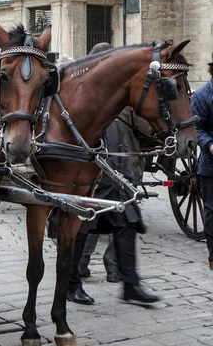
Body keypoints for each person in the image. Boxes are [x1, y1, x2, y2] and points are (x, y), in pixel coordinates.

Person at [63, 42, 160, 305]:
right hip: (94, 174)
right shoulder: (83, 96)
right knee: (80, 228)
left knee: (126, 224)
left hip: (121, 172)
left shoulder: (122, 96)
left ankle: (131, 285)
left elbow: (142, 127)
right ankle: (71, 284)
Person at [189, 61, 213, 270]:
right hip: (211, 163)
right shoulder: (202, 95)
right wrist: (210, 145)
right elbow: (197, 127)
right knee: (212, 209)